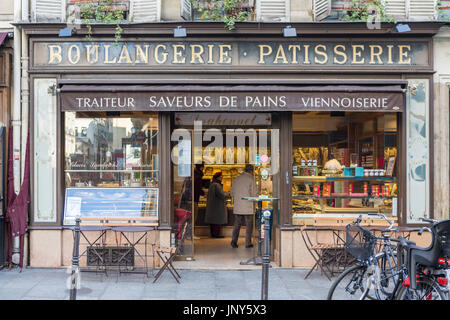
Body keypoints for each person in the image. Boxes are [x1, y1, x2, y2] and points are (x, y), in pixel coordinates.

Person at [230, 164, 256, 248]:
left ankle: (234, 241)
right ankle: (247, 243)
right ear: (252, 171)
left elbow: (232, 193)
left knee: (237, 224)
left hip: (238, 206)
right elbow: (254, 194)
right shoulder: (251, 179)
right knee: (249, 225)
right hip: (248, 206)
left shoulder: (236, 179)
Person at [204, 171, 228, 238]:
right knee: (217, 221)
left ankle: (214, 234)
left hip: (213, 206)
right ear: (217, 177)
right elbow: (221, 195)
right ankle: (216, 234)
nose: (222, 178)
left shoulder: (212, 184)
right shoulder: (217, 185)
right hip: (217, 206)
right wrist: (228, 194)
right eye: (221, 177)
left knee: (213, 222)